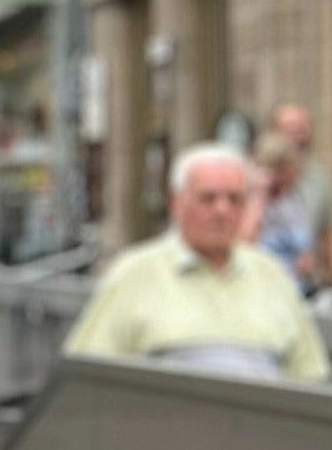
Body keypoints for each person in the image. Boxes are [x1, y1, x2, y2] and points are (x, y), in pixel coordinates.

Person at [64, 143, 328, 380]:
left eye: (234, 199)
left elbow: (310, 379)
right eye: (208, 198)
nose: (222, 211)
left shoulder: (273, 276)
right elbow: (85, 380)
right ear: (175, 202)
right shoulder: (133, 275)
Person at [244, 132, 315, 291]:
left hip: (297, 287)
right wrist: (260, 193)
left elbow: (304, 244)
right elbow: (244, 244)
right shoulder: (251, 199)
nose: (297, 172)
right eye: (291, 167)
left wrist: (306, 260)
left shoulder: (291, 200)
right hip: (264, 287)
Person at [271, 102, 331, 278]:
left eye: (303, 127)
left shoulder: (318, 178)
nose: (299, 134)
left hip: (308, 279)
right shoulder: (254, 179)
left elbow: (326, 233)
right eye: (291, 128)